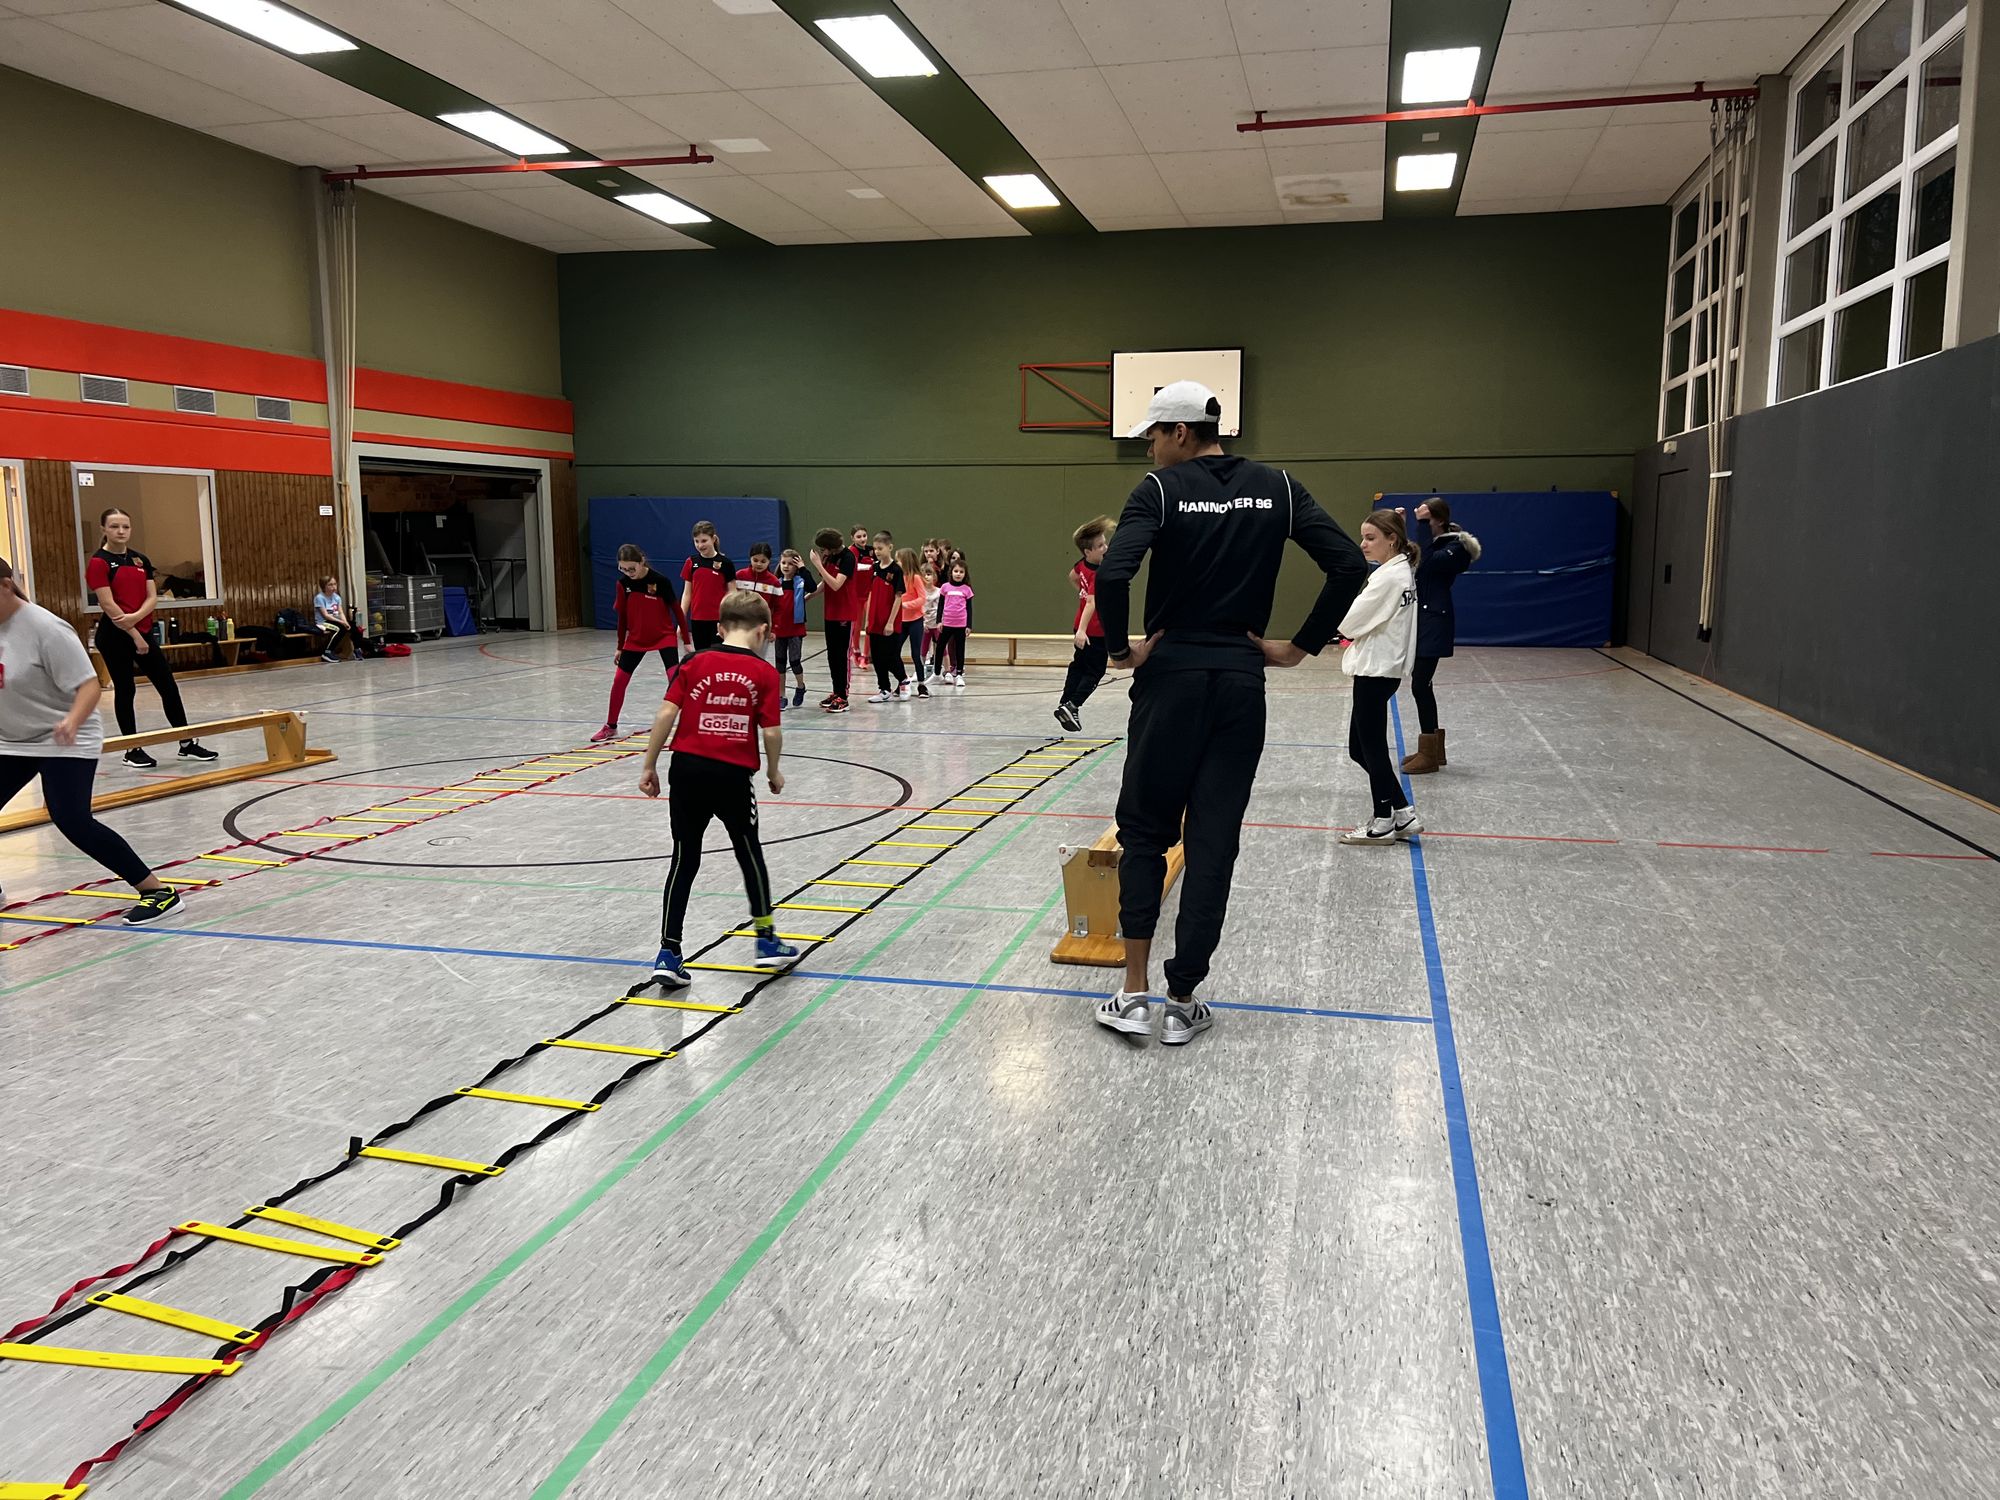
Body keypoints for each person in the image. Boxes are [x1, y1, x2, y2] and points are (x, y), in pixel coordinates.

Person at [1093, 380, 1366, 1045]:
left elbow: (1113, 574)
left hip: (1171, 679)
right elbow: (1347, 565)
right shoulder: (1278, 488)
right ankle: (1183, 1000)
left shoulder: (1158, 491)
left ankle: (1134, 993)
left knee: (1145, 833)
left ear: (1180, 432)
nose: (1150, 450)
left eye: (1153, 437)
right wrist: (1300, 647)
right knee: (1214, 838)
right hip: (1241, 683)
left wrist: (1120, 650)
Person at [0, 556, 182, 924]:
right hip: (13, 740)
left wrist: (71, 721)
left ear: (5, 587)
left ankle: (158, 892)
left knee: (72, 820)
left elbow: (89, 686)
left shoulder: (47, 629)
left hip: (66, 738)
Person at [636, 590, 799, 985]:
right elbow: (771, 731)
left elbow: (666, 712)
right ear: (763, 632)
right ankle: (766, 940)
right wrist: (774, 770)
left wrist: (649, 764)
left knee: (683, 858)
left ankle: (668, 952)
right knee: (749, 853)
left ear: (720, 628)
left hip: (686, 770)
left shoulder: (693, 662)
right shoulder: (763, 673)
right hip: (732, 777)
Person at [84, 507, 217, 769]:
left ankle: (186, 742)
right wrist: (134, 633)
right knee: (126, 689)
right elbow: (108, 604)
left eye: (125, 526)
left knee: (168, 686)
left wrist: (136, 619)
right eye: (114, 527)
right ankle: (131, 749)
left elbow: (152, 596)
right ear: (104, 530)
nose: (121, 531)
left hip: (140, 629)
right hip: (115, 636)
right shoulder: (99, 562)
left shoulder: (139, 560)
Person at [1337, 508, 1423, 846]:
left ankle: (1386, 819)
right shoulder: (1401, 571)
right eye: (1363, 537)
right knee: (1360, 747)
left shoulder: (1389, 578)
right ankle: (1398, 813)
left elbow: (1351, 621)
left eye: (1370, 538)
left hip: (1376, 670)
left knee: (1368, 748)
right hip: (1383, 670)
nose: (1363, 544)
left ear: (1392, 540)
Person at [1399, 498, 1481, 775]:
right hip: (1420, 621)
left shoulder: (1456, 547)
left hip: (1435, 622)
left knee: (1420, 685)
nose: (1423, 524)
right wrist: (1402, 528)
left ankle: (1429, 754)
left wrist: (1420, 525)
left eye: (1427, 519)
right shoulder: (1433, 545)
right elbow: (1410, 560)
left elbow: (1429, 562)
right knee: (1423, 685)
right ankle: (1433, 750)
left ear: (1439, 520)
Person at [594, 543, 691, 744]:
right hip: (636, 639)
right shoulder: (623, 584)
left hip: (664, 636)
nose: (628, 573)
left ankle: (687, 725)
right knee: (619, 680)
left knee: (674, 679)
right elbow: (622, 618)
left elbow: (677, 611)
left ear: (642, 562)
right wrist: (620, 646)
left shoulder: (660, 581)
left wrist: (686, 640)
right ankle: (611, 726)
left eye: (632, 568)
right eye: (623, 569)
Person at [1054, 515, 1113, 733]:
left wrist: (1082, 592)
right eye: (1100, 546)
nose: (1105, 548)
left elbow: (1072, 576)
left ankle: (1064, 702)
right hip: (1093, 631)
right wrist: (1082, 630)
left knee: (1078, 666)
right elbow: (1091, 603)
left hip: (1081, 626)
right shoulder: (1098, 573)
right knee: (1095, 671)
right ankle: (1073, 705)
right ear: (1088, 551)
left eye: (1105, 543)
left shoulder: (1081, 565)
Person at [806, 527, 856, 714]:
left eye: (823, 548)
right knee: (832, 656)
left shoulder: (848, 557)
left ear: (831, 547)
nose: (822, 552)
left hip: (844, 613)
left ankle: (843, 696)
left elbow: (836, 584)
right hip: (830, 613)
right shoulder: (829, 557)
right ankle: (836, 691)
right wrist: (810, 596)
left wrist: (818, 565)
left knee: (842, 656)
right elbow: (826, 583)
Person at [864, 531, 909, 704]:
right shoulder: (874, 568)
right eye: (875, 548)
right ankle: (884, 689)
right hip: (874, 620)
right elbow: (870, 593)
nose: (877, 551)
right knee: (876, 656)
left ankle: (903, 680)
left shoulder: (896, 570)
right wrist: (868, 619)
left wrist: (890, 622)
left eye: (880, 548)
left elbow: (898, 597)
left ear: (890, 547)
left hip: (889, 621)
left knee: (890, 656)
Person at [771, 548, 817, 709]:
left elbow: (812, 587)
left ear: (796, 566)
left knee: (795, 661)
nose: (786, 566)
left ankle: (800, 686)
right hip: (779, 628)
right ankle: (781, 695)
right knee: (780, 663)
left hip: (795, 628)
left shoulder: (800, 581)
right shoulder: (776, 582)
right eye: (783, 563)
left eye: (790, 564)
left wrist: (803, 568)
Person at [680, 521, 736, 651]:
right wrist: (681, 620)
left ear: (713, 539)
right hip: (697, 620)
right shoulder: (691, 562)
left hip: (719, 620)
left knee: (718, 655)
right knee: (702, 655)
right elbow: (687, 594)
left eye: (704, 541)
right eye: (696, 541)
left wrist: (729, 618)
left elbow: (732, 593)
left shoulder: (726, 563)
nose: (700, 545)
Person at [735, 542, 786, 661]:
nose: (759, 564)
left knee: (756, 660)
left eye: (763, 561)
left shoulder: (774, 582)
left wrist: (773, 629)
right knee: (739, 658)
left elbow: (779, 608)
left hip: (761, 628)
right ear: (750, 558)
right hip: (739, 626)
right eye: (755, 560)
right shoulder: (739, 576)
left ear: (769, 561)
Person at [894, 546, 930, 699]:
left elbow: (922, 598)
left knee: (916, 654)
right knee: (894, 652)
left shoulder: (915, 578)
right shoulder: (897, 577)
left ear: (905, 561)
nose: (896, 562)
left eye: (898, 560)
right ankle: (902, 681)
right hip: (901, 621)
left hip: (915, 621)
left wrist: (906, 605)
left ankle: (922, 685)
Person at [935, 559, 973, 687]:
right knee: (940, 647)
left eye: (961, 572)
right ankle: (937, 673)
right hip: (947, 623)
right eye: (956, 571)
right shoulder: (945, 587)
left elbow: (969, 609)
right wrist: (938, 621)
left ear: (965, 574)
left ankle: (959, 674)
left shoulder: (966, 589)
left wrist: (969, 625)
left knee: (959, 649)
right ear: (951, 572)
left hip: (960, 624)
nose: (958, 574)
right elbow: (940, 605)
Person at [312, 575, 361, 663]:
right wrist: (341, 622)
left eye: (335, 584)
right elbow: (326, 615)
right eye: (330, 585)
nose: (334, 587)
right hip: (323, 622)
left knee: (354, 626)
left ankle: (357, 649)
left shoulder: (337, 597)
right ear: (324, 586)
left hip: (336, 620)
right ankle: (327, 652)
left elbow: (340, 612)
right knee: (340, 629)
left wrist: (345, 622)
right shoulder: (319, 598)